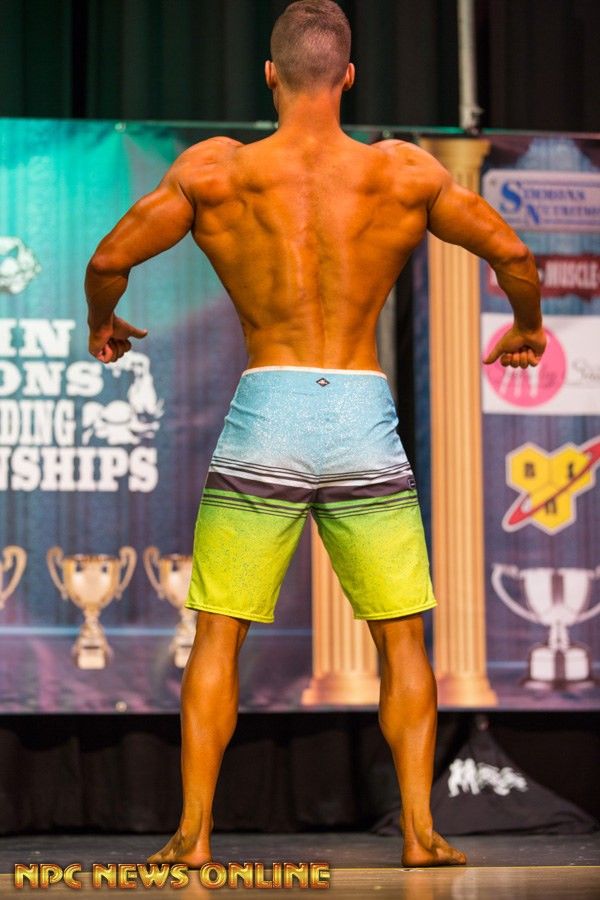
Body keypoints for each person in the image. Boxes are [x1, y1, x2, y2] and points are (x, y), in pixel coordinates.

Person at [85, 0, 545, 869]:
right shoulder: (400, 173)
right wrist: (526, 325)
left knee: (219, 631)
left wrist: (101, 323)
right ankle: (420, 832)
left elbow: (108, 260)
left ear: (270, 75)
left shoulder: (217, 172)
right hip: (361, 416)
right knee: (400, 636)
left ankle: (193, 835)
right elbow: (515, 258)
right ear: (349, 76)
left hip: (270, 411)